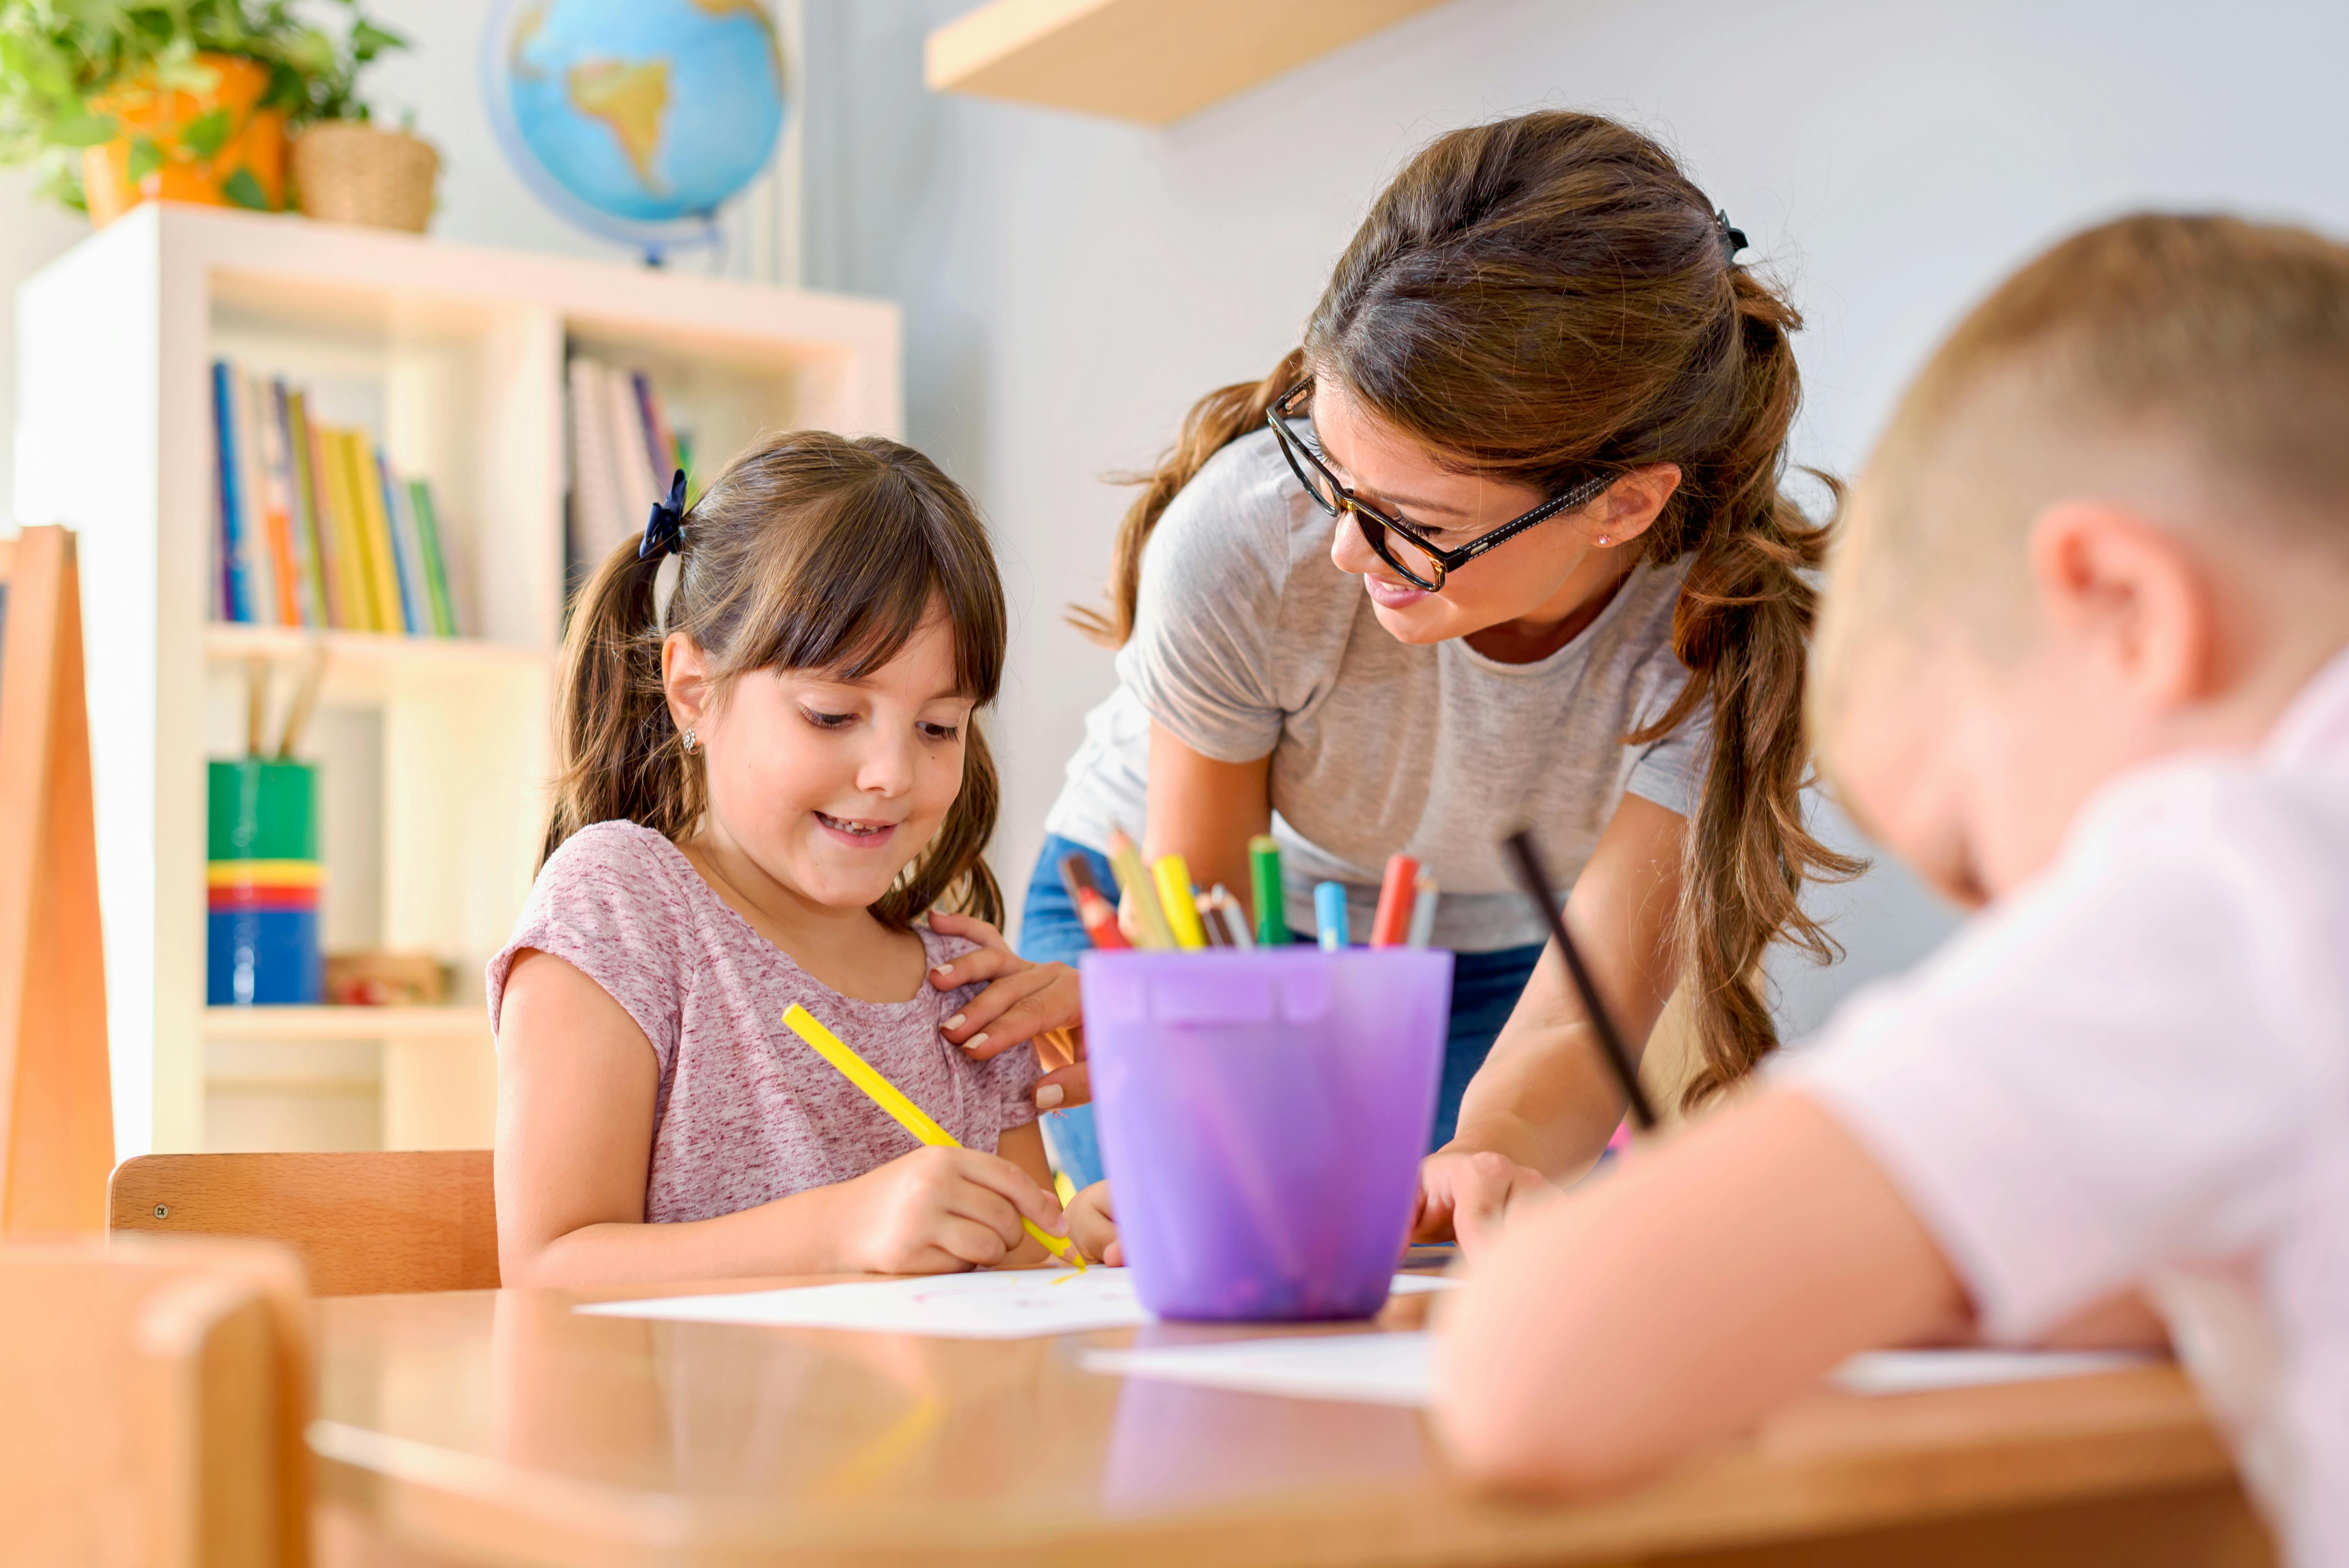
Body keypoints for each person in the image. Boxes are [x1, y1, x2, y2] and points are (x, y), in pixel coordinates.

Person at [1433, 214, 2349, 1566]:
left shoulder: (2247, 871)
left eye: (1979, 852)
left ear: (2122, 604)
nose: (2012, 935)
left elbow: (1529, 1375)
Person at [1021, 110, 1859, 1208]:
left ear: (1623, 502)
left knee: (1434, 1267)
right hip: (1175, 930)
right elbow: (1204, 933)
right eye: (1331, 465)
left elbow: (1573, 1021)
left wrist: (1490, 1150)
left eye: (1414, 519)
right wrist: (1210, 1135)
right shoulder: (1246, 537)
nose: (1344, 547)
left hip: (1483, 963)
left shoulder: (1723, 640)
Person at [490, 432, 1116, 1285]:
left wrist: (1069, 1240)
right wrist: (840, 1229)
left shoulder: (966, 993)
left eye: (938, 727)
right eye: (830, 713)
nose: (891, 773)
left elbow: (995, 1275)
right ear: (694, 694)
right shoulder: (623, 904)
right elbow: (547, 1262)